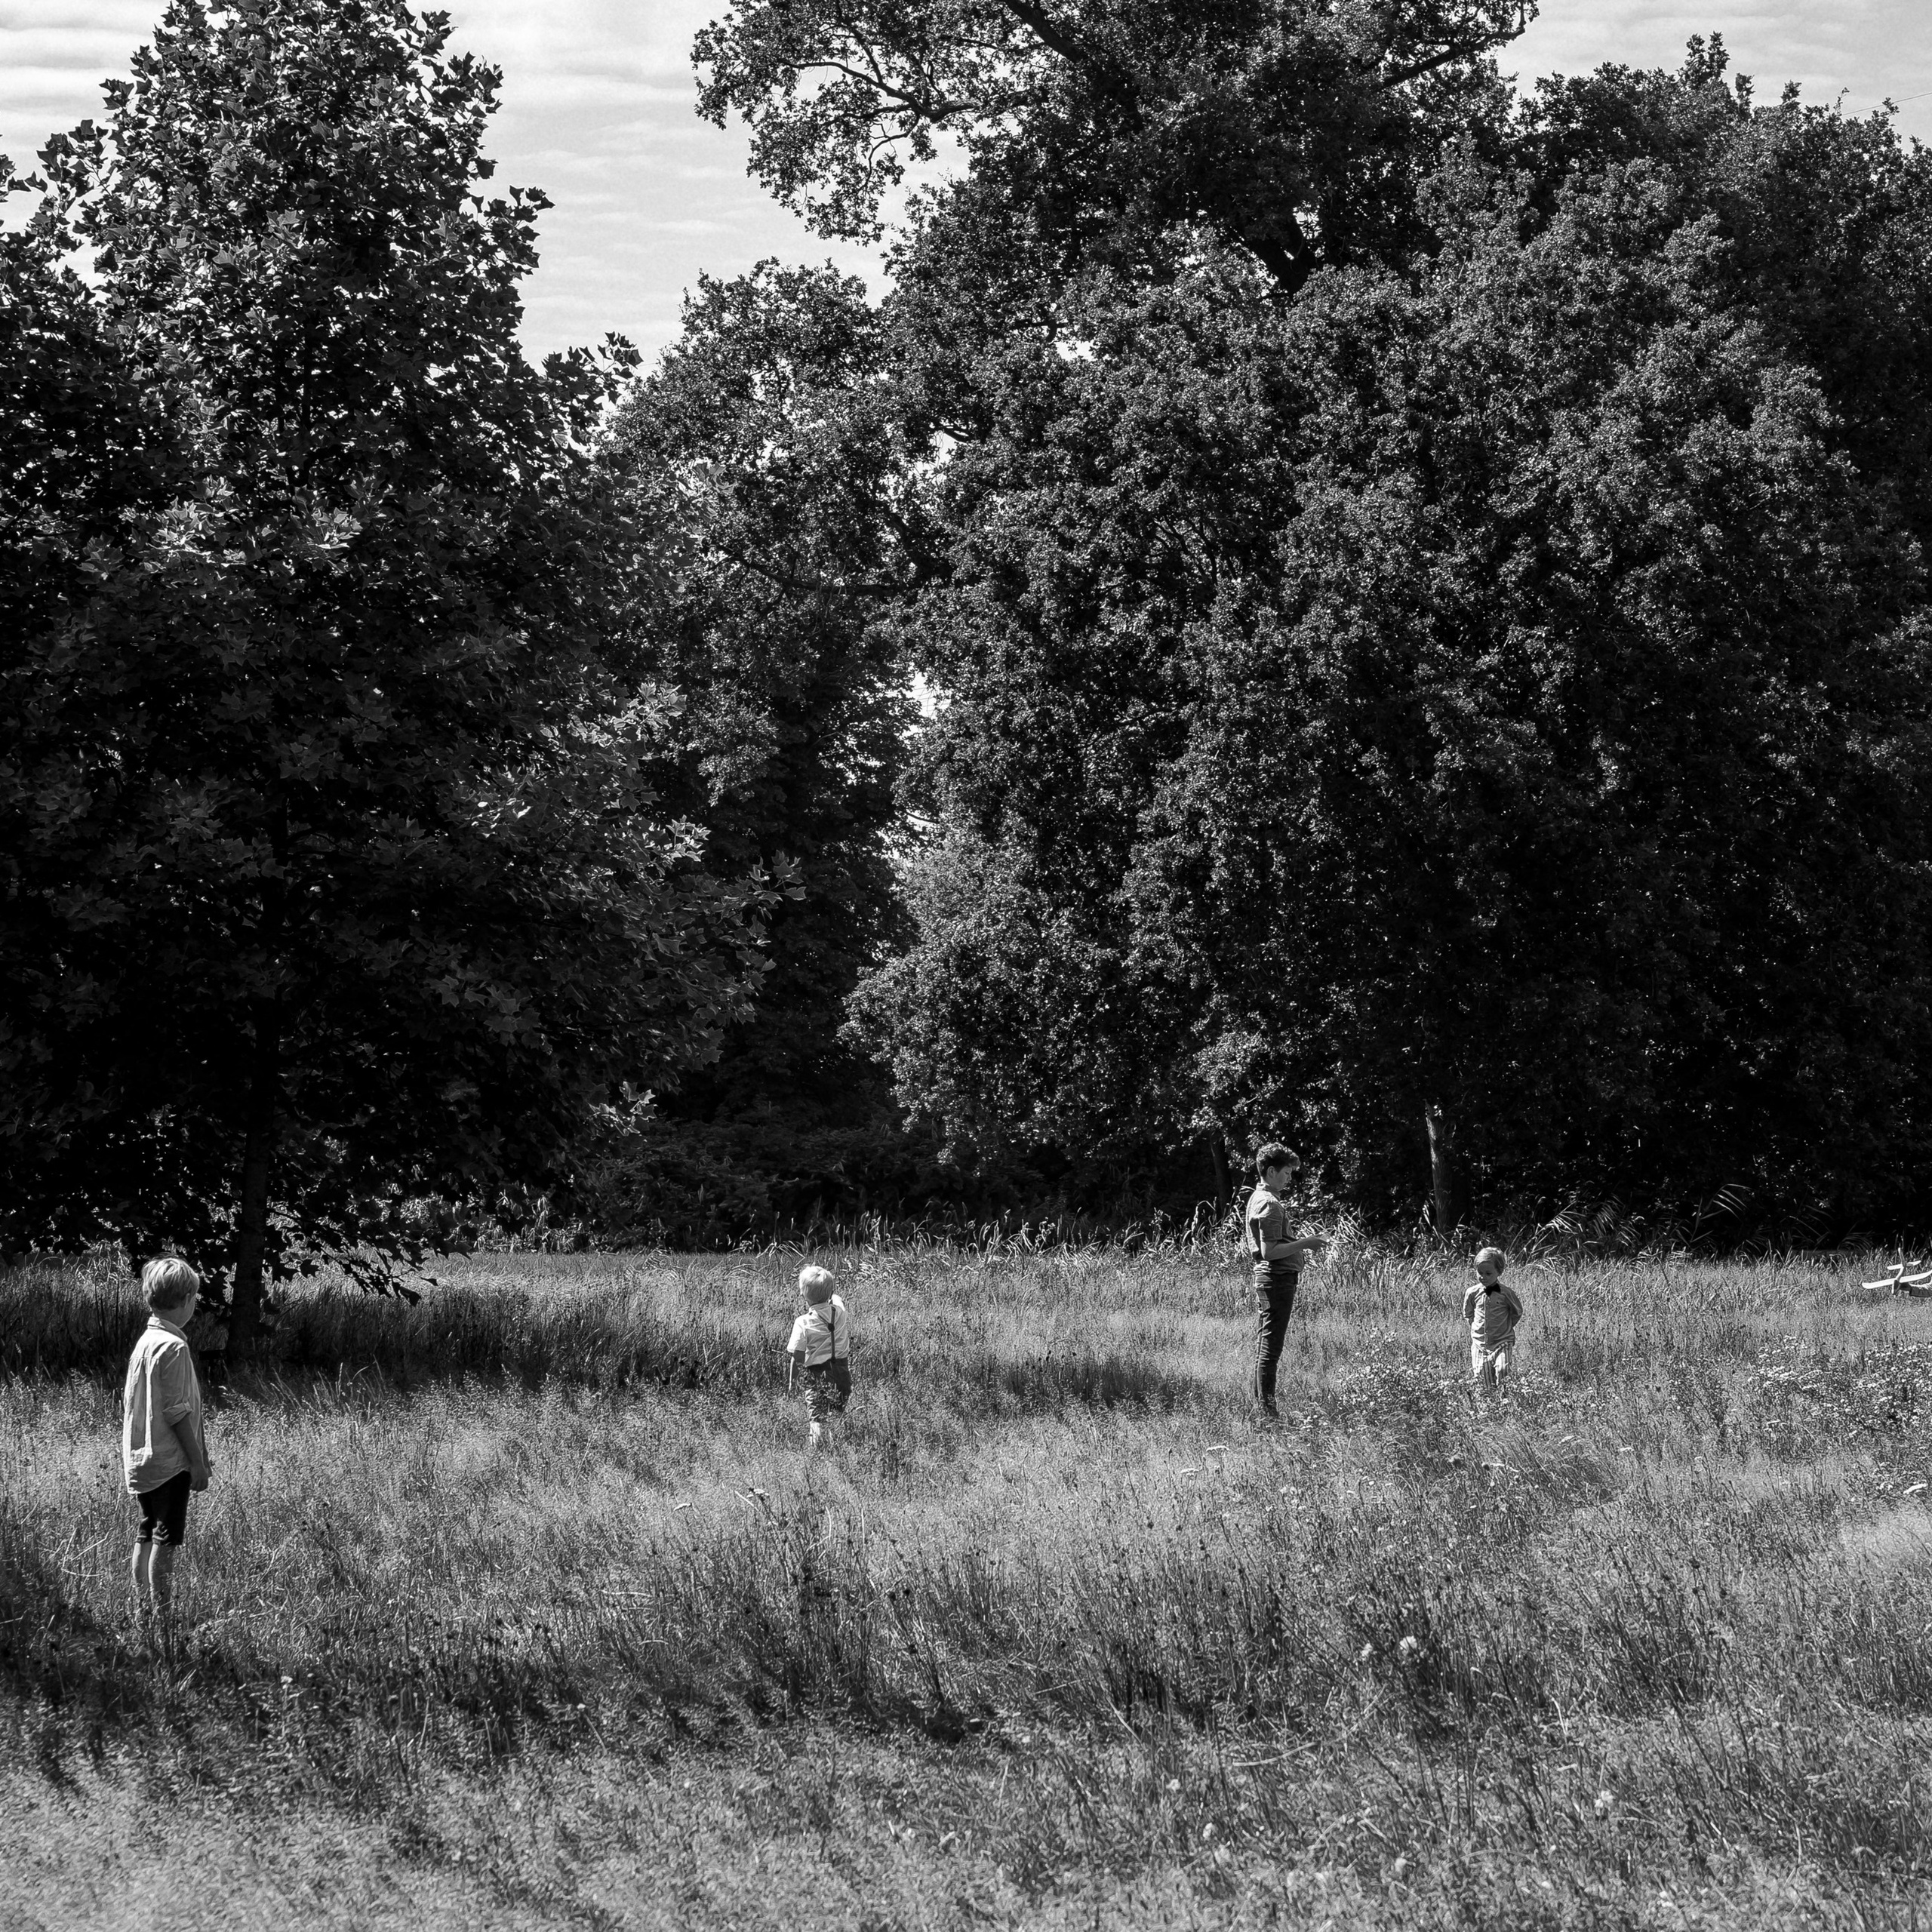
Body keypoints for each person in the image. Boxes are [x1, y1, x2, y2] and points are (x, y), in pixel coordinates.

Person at [123, 1257, 213, 1641]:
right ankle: (162, 1618)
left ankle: (142, 1609)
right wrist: (197, 1463)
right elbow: (177, 1413)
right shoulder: (173, 1347)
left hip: (142, 1457)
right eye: (196, 1296)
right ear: (188, 1299)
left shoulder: (146, 1341)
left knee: (146, 1532)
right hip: (169, 1459)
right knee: (166, 1536)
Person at [1243, 1143, 1325, 1421]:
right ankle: (1268, 1412)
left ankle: (1263, 1409)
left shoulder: (1260, 1198)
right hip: (1276, 1280)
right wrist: (1308, 1243)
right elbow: (1270, 1252)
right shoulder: (1269, 1204)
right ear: (1270, 1171)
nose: (1290, 1178)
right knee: (1271, 1348)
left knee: (1267, 1345)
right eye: (1287, 1173)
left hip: (1272, 1279)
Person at [784, 1264, 852, 1451]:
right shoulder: (839, 1312)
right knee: (837, 1412)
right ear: (831, 1292)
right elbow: (838, 1300)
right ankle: (840, 1447)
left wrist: (793, 1382)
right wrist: (831, 1293)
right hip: (841, 1371)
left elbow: (797, 1356)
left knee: (817, 1418)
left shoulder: (803, 1322)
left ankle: (817, 1453)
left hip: (817, 1375)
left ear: (803, 1295)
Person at [1463, 1244, 1524, 1394]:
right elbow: (1468, 1313)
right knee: (1482, 1378)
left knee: (1503, 1370)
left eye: (1488, 1273)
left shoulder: (1506, 1293)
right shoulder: (1472, 1293)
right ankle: (1487, 1407)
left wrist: (1505, 1327)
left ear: (1499, 1272)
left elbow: (1517, 1312)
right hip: (1480, 1343)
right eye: (1480, 1273)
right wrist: (1476, 1329)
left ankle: (1506, 1401)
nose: (1483, 1277)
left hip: (1502, 1341)